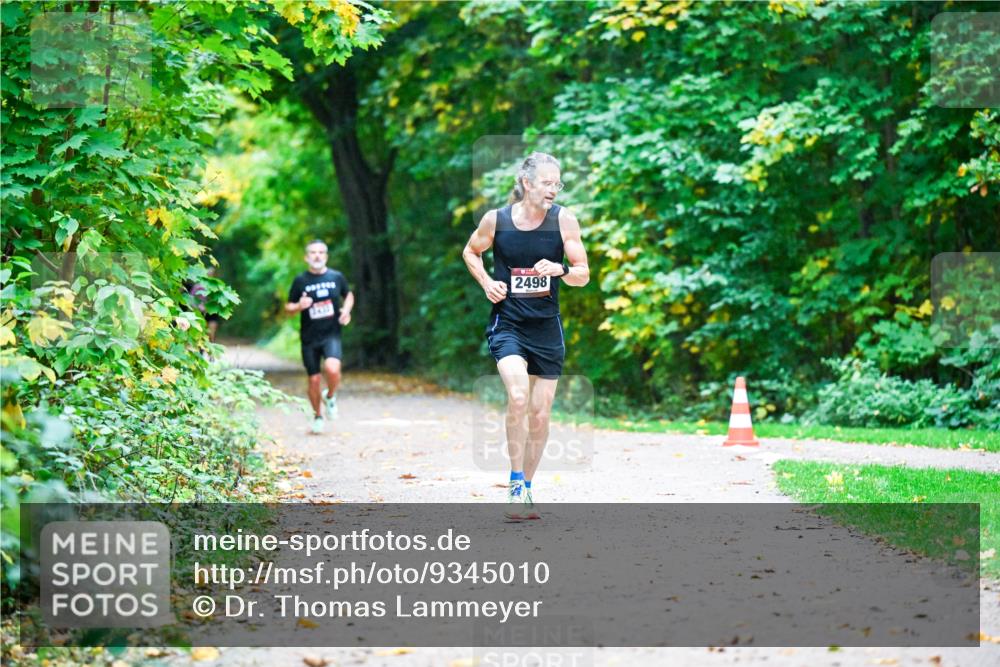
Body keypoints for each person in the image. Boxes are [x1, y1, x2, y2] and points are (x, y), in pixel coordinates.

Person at [462, 152, 589, 520]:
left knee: (540, 413)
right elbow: (471, 252)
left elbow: (584, 273)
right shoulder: (496, 220)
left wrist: (561, 270)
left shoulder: (563, 220)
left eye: (557, 183)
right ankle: (515, 483)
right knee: (518, 396)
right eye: (547, 183)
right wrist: (486, 282)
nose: (553, 189)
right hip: (509, 325)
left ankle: (528, 486)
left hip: (547, 328)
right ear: (527, 183)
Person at [286, 240, 354, 435]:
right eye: (313, 253)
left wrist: (346, 311)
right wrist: (299, 305)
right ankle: (317, 416)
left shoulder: (336, 277)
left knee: (332, 368)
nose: (317, 256)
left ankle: (330, 396)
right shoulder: (300, 281)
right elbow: (288, 308)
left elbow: (348, 295)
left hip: (331, 334)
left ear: (326, 256)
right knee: (314, 380)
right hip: (309, 338)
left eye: (321, 252)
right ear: (307, 257)